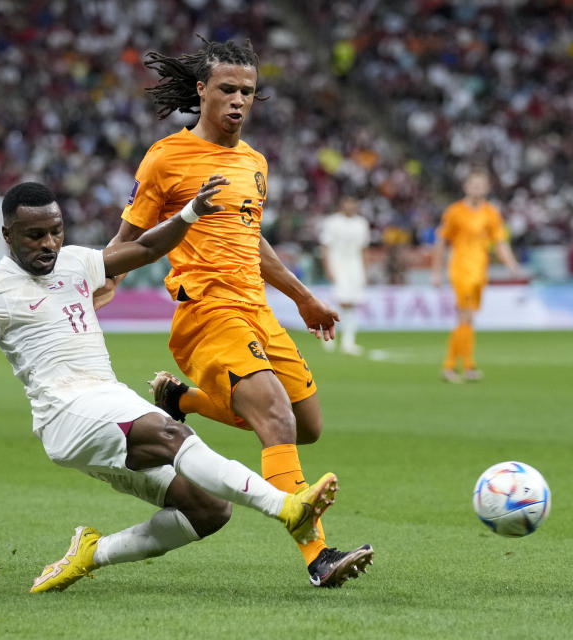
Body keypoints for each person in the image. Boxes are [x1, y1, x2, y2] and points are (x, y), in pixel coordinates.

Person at [0, 181, 373, 593]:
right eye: (35, 235)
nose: (49, 243)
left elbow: (145, 247)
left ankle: (90, 554)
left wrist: (189, 214)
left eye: (55, 230)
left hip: (108, 399)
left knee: (210, 511)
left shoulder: (77, 260)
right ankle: (288, 507)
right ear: (8, 236)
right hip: (65, 415)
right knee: (170, 435)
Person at [105, 38, 374, 588]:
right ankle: (317, 557)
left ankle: (182, 400)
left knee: (306, 426)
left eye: (247, 92)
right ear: (202, 90)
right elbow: (128, 236)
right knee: (274, 418)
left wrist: (301, 296)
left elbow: (251, 240)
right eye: (227, 89)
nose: (237, 101)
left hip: (257, 310)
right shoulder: (166, 156)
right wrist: (101, 279)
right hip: (206, 313)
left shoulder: (254, 163)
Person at [431, 168, 521, 383]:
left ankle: (466, 367)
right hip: (461, 269)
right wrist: (436, 272)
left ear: (487, 188)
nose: (477, 189)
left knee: (468, 319)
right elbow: (442, 242)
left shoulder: (491, 212)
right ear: (466, 187)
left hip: (480, 270)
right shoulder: (454, 212)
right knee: (465, 316)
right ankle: (451, 367)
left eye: (481, 185)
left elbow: (499, 241)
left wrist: (511, 263)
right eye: (473, 185)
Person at [319, 195, 370, 355]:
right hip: (338, 264)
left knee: (353, 302)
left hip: (355, 266)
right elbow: (325, 247)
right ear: (342, 204)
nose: (350, 206)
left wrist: (365, 269)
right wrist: (328, 267)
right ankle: (328, 335)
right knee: (340, 302)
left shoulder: (362, 223)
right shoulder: (332, 222)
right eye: (347, 202)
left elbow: (363, 249)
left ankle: (348, 342)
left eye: (353, 203)